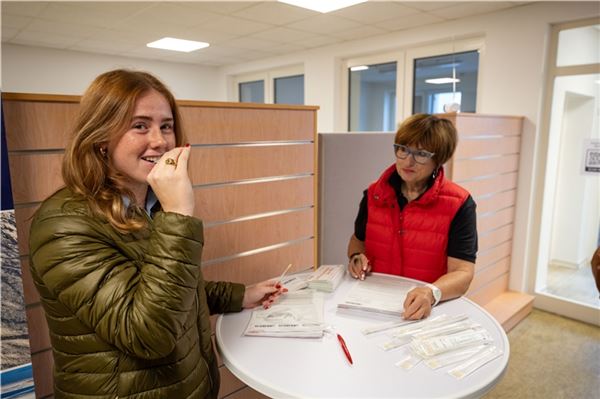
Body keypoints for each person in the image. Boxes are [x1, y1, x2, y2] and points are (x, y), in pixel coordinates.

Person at [28, 69, 286, 399]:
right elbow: (150, 332)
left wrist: (239, 295)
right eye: (140, 125)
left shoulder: (153, 205)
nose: (160, 141)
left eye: (166, 126)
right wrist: (178, 215)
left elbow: (171, 290)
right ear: (101, 137)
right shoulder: (64, 226)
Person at [347, 113, 477, 321]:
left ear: (439, 159)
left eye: (421, 154)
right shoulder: (373, 195)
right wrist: (355, 258)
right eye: (403, 149)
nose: (409, 160)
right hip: (372, 305)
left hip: (426, 312)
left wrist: (430, 292)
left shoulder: (459, 203)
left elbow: (463, 273)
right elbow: (357, 242)